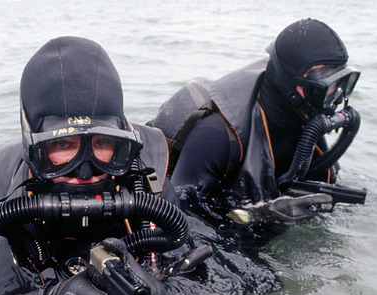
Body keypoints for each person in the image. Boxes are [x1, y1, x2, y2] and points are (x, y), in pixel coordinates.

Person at [0, 36, 201, 295]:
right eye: (62, 145)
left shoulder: (152, 191)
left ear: (124, 139)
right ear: (32, 144)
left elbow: (194, 278)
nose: (85, 170)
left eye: (102, 143)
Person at [149, 18, 366, 226]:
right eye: (322, 86)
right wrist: (260, 216)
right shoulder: (215, 134)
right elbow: (179, 219)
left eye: (339, 84)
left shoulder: (305, 118)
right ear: (288, 81)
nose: (332, 99)